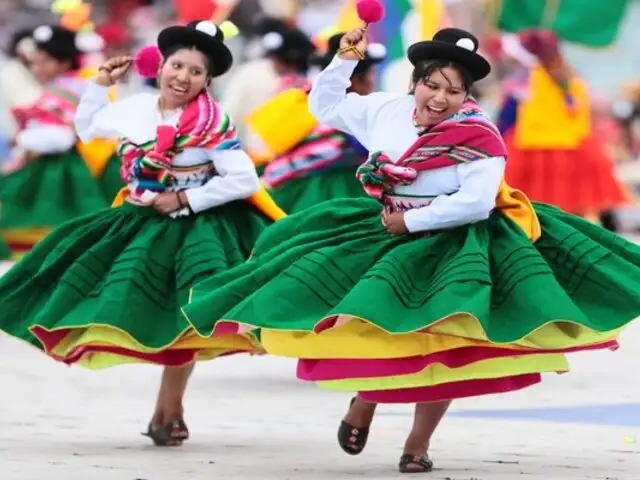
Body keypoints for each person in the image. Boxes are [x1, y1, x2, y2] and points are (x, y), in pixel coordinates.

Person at [182, 27, 640, 473]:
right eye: (432, 85)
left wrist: (412, 220)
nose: (440, 98)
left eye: (454, 91)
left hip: (453, 239)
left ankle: (417, 444)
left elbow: (475, 202)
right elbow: (323, 105)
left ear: (468, 96)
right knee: (381, 327)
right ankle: (365, 400)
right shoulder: (385, 109)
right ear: (415, 81)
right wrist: (344, 60)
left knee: (446, 345)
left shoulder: (481, 138)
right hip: (388, 231)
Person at [0, 20, 284, 446]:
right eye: (177, 65)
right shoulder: (135, 109)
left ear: (208, 80)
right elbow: (87, 129)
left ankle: (170, 410)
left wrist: (186, 200)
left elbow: (243, 180)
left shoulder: (211, 120)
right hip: (138, 221)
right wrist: (99, 85)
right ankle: (165, 411)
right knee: (106, 294)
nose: (182, 77)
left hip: (195, 228)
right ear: (161, 66)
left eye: (195, 71)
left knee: (188, 316)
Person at [0, 24, 121, 257]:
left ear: (63, 63)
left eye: (45, 60)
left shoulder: (65, 91)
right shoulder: (72, 86)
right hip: (82, 161)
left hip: (69, 169)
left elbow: (62, 138)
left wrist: (22, 139)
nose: (38, 66)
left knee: (48, 216)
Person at [499, 29, 629, 223]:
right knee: (578, 204)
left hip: (533, 148)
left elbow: (507, 116)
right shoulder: (572, 78)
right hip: (575, 146)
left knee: (532, 207)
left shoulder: (525, 79)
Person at [260, 32, 385, 213]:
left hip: (289, 192)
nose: (373, 80)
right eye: (372, 73)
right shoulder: (356, 119)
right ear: (356, 80)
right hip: (335, 193)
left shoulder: (300, 103)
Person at [221, 17, 316, 145]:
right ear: (276, 57)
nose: (291, 68)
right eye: (287, 62)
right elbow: (229, 112)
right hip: (245, 149)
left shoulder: (304, 82)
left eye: (297, 64)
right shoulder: (250, 73)